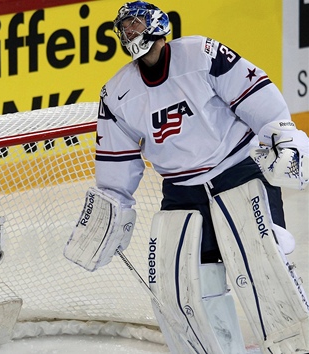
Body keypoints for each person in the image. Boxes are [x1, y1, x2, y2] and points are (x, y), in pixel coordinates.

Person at [64, 1, 309, 353]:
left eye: (134, 25)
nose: (128, 33)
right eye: (124, 28)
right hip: (181, 192)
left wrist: (281, 133)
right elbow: (116, 162)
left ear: (157, 26)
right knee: (193, 288)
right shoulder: (117, 93)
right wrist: (112, 209)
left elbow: (255, 94)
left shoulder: (201, 53)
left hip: (237, 170)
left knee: (267, 269)